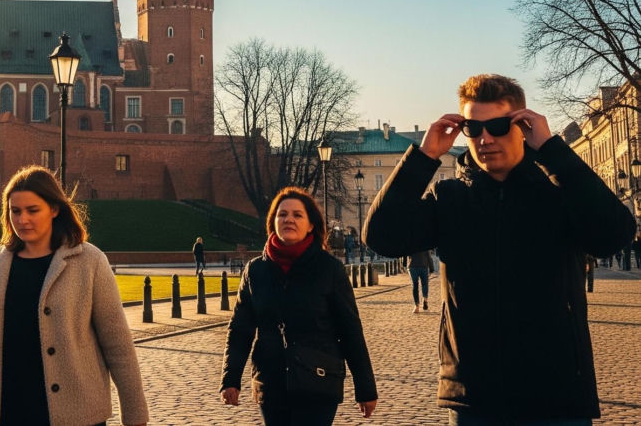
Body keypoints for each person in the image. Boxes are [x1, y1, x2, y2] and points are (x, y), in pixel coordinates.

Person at [363, 73, 637, 425]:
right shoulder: (451, 199)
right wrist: (424, 156)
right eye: (474, 129)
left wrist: (553, 150)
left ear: (522, 126)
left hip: (556, 390)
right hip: (475, 395)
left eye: (496, 125)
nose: (485, 138)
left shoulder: (557, 192)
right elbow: (382, 235)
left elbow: (614, 234)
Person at [0, 165, 148, 426]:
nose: (22, 220)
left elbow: (118, 345)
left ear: (54, 209)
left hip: (78, 416)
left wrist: (135, 416)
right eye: (15, 211)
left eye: (33, 210)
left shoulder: (89, 261)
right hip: (9, 412)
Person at [220, 186, 378, 425]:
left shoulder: (329, 269)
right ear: (273, 222)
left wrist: (365, 388)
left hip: (319, 380)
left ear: (311, 225)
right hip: (271, 381)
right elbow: (240, 329)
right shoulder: (256, 270)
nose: (289, 220)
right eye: (282, 214)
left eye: (297, 215)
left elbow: (350, 332)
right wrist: (230, 379)